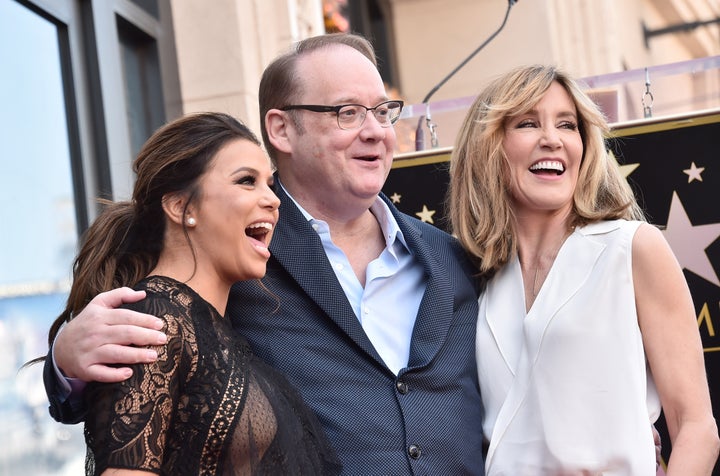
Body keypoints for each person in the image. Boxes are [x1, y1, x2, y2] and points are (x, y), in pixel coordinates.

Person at [43, 34, 486, 474]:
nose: (375, 131)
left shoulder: (452, 256)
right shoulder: (233, 248)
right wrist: (65, 362)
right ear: (281, 129)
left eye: (383, 112)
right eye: (348, 113)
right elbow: (141, 370)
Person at [448, 64, 719, 475]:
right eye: (527, 123)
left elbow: (697, 428)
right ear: (489, 148)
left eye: (567, 125)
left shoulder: (630, 249)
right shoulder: (473, 279)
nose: (551, 140)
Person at [38, 112, 341, 475]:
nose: (273, 200)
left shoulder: (213, 325)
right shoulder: (154, 319)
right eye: (247, 181)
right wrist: (63, 359)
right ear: (182, 207)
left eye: (270, 185)